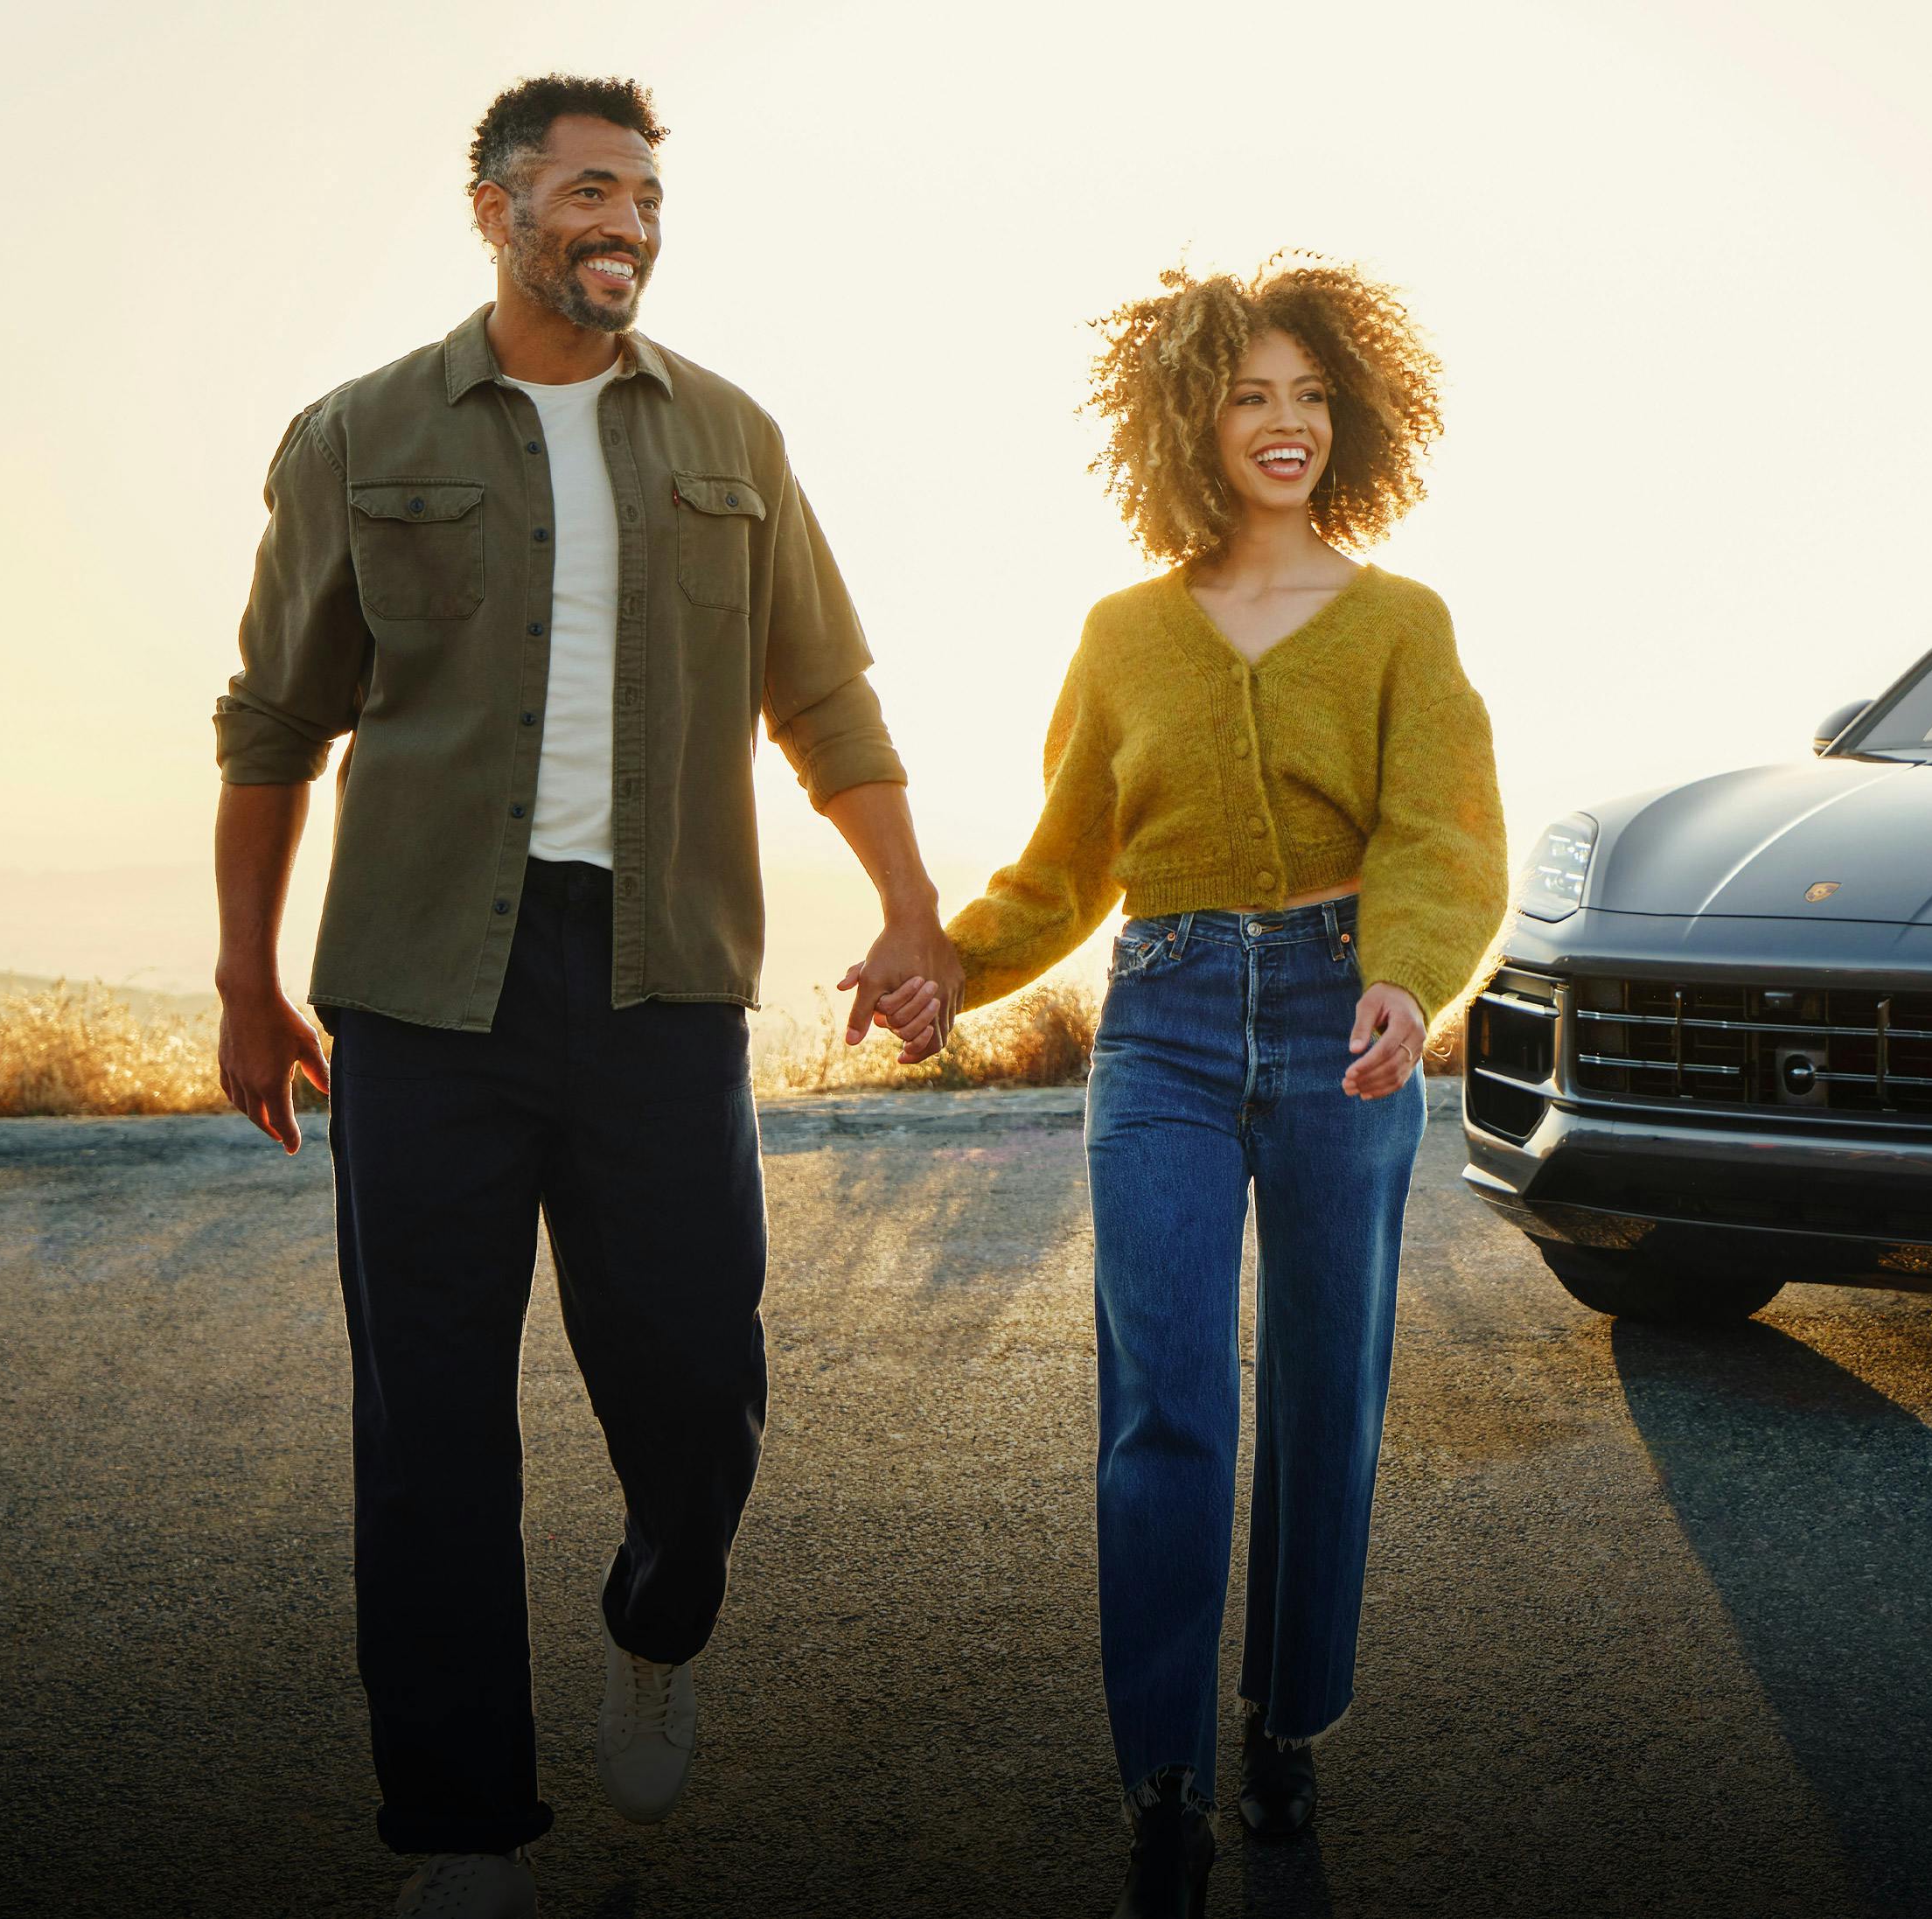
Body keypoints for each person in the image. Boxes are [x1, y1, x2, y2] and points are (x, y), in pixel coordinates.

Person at [207, 73, 962, 1919]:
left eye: (643, 197)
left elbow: (825, 696)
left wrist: (909, 906)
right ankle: (463, 1829)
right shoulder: (356, 434)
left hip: (659, 976)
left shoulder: (730, 436)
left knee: (700, 1370)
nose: (624, 222)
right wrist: (244, 974)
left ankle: (659, 1614)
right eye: (588, 192)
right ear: (496, 210)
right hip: (420, 991)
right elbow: (274, 723)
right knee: (430, 1418)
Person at [879, 258, 1500, 1917]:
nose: (1285, 424)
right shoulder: (1123, 637)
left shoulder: (1404, 624)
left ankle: (1285, 1720)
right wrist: (947, 963)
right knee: (1165, 1394)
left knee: (1323, 1387)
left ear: (1348, 416)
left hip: (1343, 1016)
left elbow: (1444, 838)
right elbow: (1064, 864)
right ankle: (1160, 1774)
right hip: (1159, 1021)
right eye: (1249, 397)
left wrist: (1405, 976)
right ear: (1188, 422)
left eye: (1310, 396)